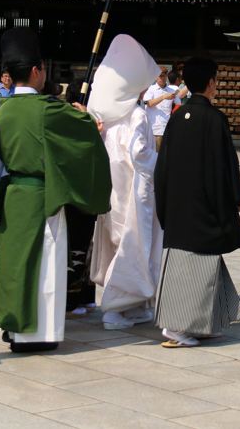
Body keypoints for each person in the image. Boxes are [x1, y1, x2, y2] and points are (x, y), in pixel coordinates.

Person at [0, 28, 111, 352]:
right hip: (42, 197)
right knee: (45, 264)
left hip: (13, 196)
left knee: (14, 264)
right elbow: (84, 137)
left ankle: (14, 326)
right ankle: (36, 333)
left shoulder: (3, 110)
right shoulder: (48, 109)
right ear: (36, 71)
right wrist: (85, 118)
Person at [154, 57, 240, 348]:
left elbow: (162, 164)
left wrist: (163, 200)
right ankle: (177, 326)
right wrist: (237, 195)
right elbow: (225, 163)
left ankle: (207, 322)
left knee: (198, 262)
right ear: (210, 83)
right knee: (197, 264)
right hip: (205, 202)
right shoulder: (214, 118)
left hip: (178, 202)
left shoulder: (176, 117)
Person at [87, 35, 162, 331]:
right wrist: (163, 165)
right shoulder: (137, 114)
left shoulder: (105, 115)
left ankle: (134, 305)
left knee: (116, 241)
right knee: (132, 244)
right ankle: (115, 308)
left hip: (112, 190)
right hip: (133, 190)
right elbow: (139, 153)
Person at [144, 68, 183, 151]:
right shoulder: (150, 89)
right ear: (156, 77)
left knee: (165, 155)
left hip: (167, 129)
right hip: (154, 130)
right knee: (155, 155)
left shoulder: (172, 90)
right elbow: (149, 103)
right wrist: (163, 97)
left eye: (164, 76)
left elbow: (179, 105)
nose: (162, 78)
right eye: (160, 76)